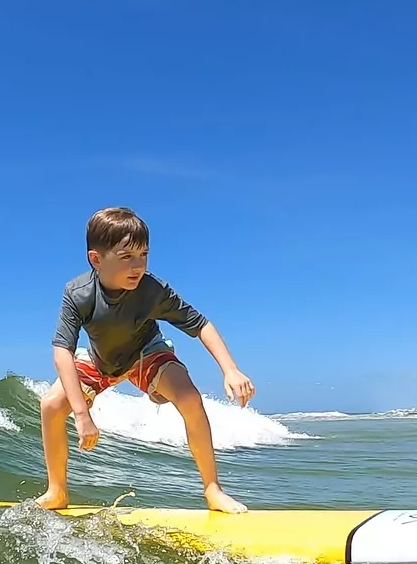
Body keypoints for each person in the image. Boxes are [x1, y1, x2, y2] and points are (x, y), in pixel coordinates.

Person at [35, 206, 254, 514]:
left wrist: (230, 370)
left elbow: (201, 324)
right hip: (101, 361)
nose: (138, 265)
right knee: (51, 405)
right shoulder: (78, 293)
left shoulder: (153, 290)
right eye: (127, 257)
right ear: (95, 259)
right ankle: (57, 491)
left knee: (190, 398)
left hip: (146, 353)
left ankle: (212, 489)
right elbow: (62, 353)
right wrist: (82, 414)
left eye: (143, 255)